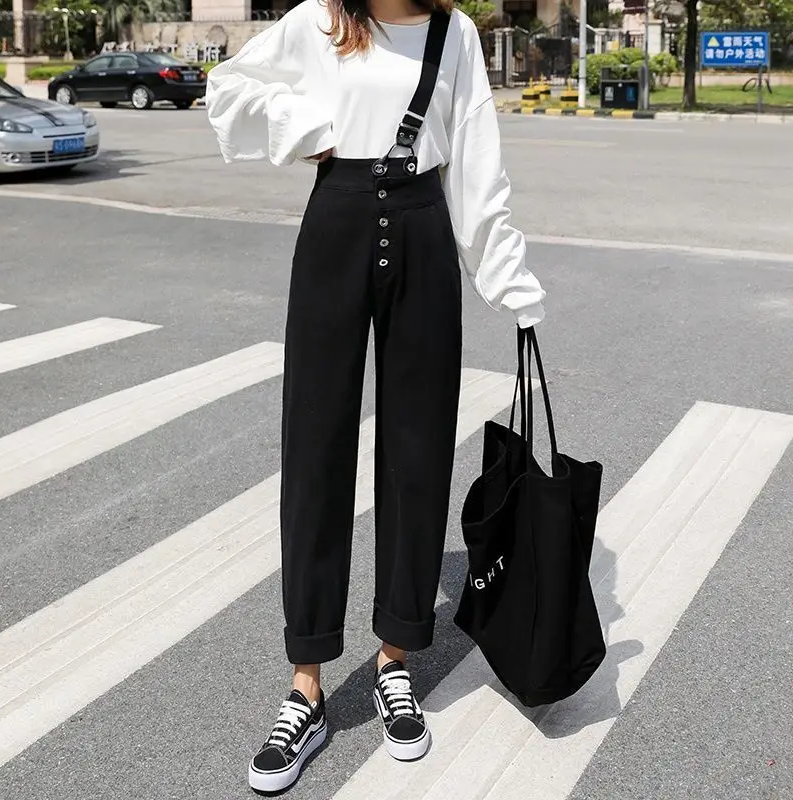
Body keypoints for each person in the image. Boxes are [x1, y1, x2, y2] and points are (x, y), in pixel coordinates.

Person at [206, 0, 545, 792]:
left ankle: (396, 661)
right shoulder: (321, 19)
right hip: (337, 222)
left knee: (417, 455)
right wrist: (305, 125)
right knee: (315, 452)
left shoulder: (453, 33)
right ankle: (306, 687)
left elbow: (476, 160)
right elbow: (229, 88)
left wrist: (509, 281)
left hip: (424, 228)